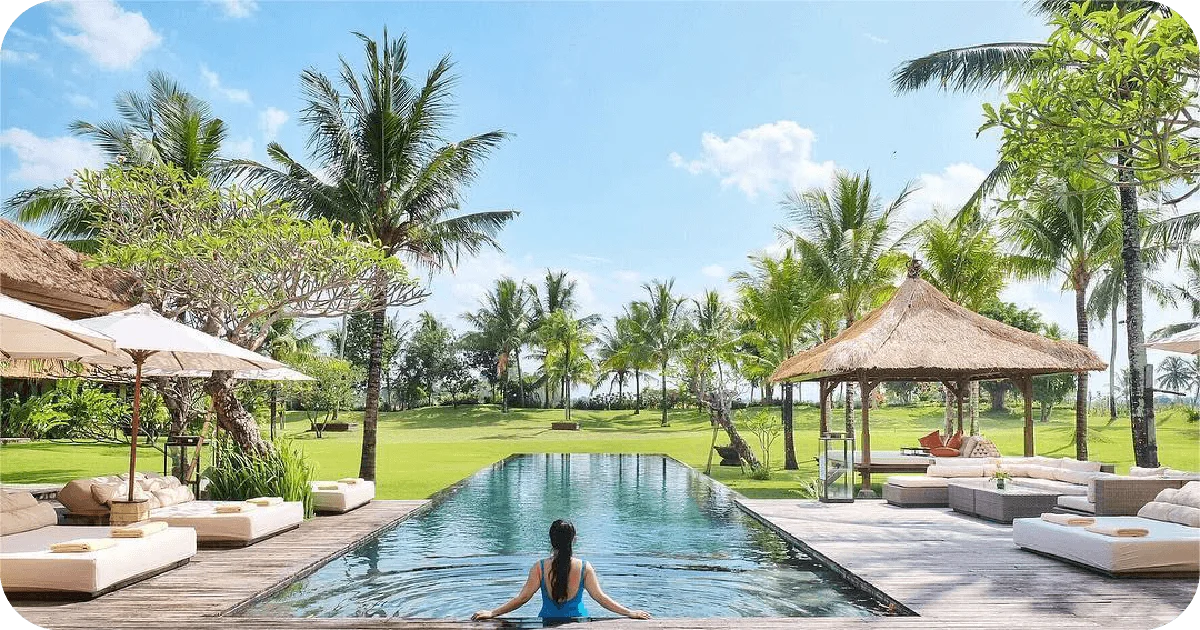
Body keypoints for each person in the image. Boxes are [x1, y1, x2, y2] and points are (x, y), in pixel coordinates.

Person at [472, 519, 651, 621]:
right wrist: (629, 612)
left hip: (547, 623)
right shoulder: (584, 567)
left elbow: (523, 598)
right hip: (580, 623)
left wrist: (493, 612)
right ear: (574, 540)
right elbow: (601, 598)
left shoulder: (540, 567)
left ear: (551, 540)